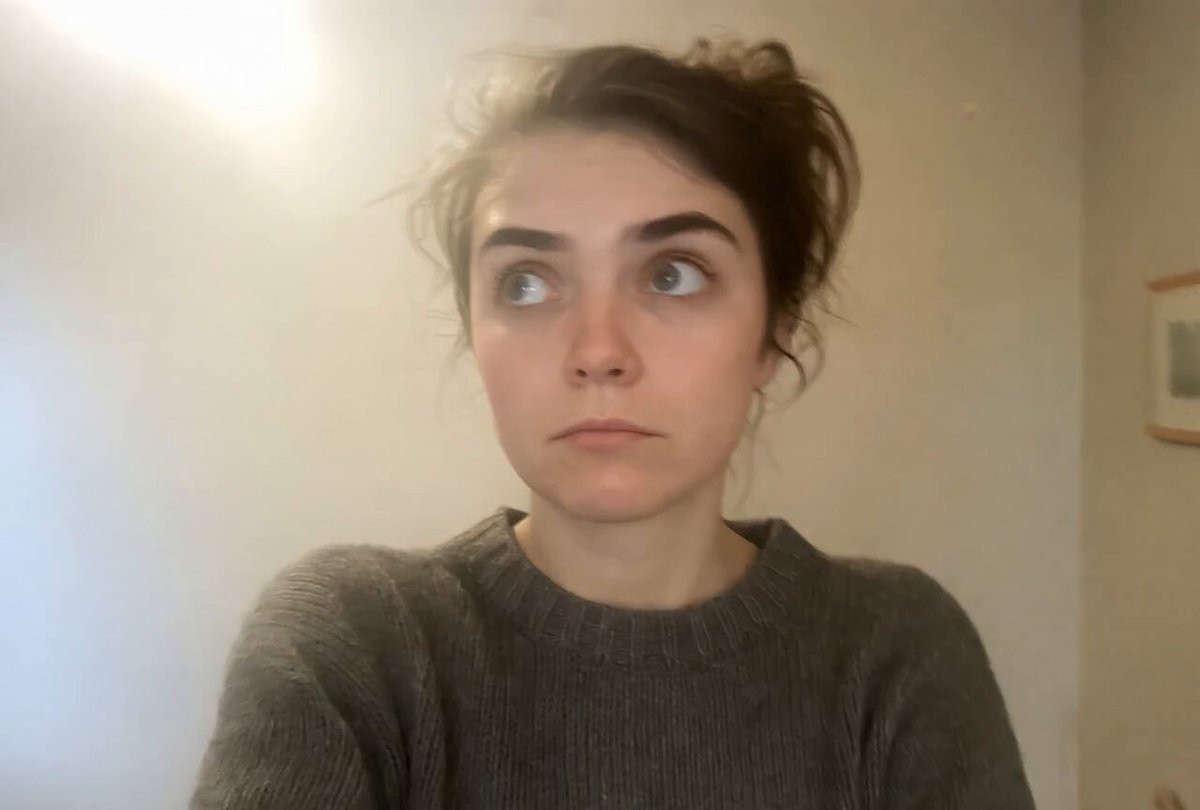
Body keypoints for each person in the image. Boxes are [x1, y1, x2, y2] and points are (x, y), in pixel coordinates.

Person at [190, 36, 1035, 809]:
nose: (598, 351)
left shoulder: (896, 652)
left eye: (673, 273)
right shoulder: (355, 647)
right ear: (475, 331)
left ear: (774, 330)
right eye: (526, 282)